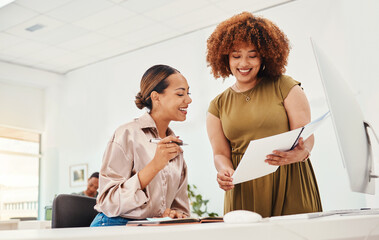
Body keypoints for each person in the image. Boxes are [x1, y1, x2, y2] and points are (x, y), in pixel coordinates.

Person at [206, 12, 322, 218]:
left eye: (252, 55)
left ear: (265, 56)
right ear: (225, 57)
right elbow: (220, 154)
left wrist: (300, 154)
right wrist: (224, 170)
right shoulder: (217, 105)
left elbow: (306, 137)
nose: (244, 63)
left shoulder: (285, 86)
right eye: (236, 55)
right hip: (244, 187)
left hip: (290, 178)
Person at [90, 64, 192, 227]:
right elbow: (108, 202)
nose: (188, 100)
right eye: (180, 93)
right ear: (156, 97)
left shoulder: (175, 147)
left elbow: (180, 208)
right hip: (114, 225)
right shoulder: (127, 133)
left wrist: (173, 214)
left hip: (149, 227)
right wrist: (154, 166)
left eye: (188, 93)